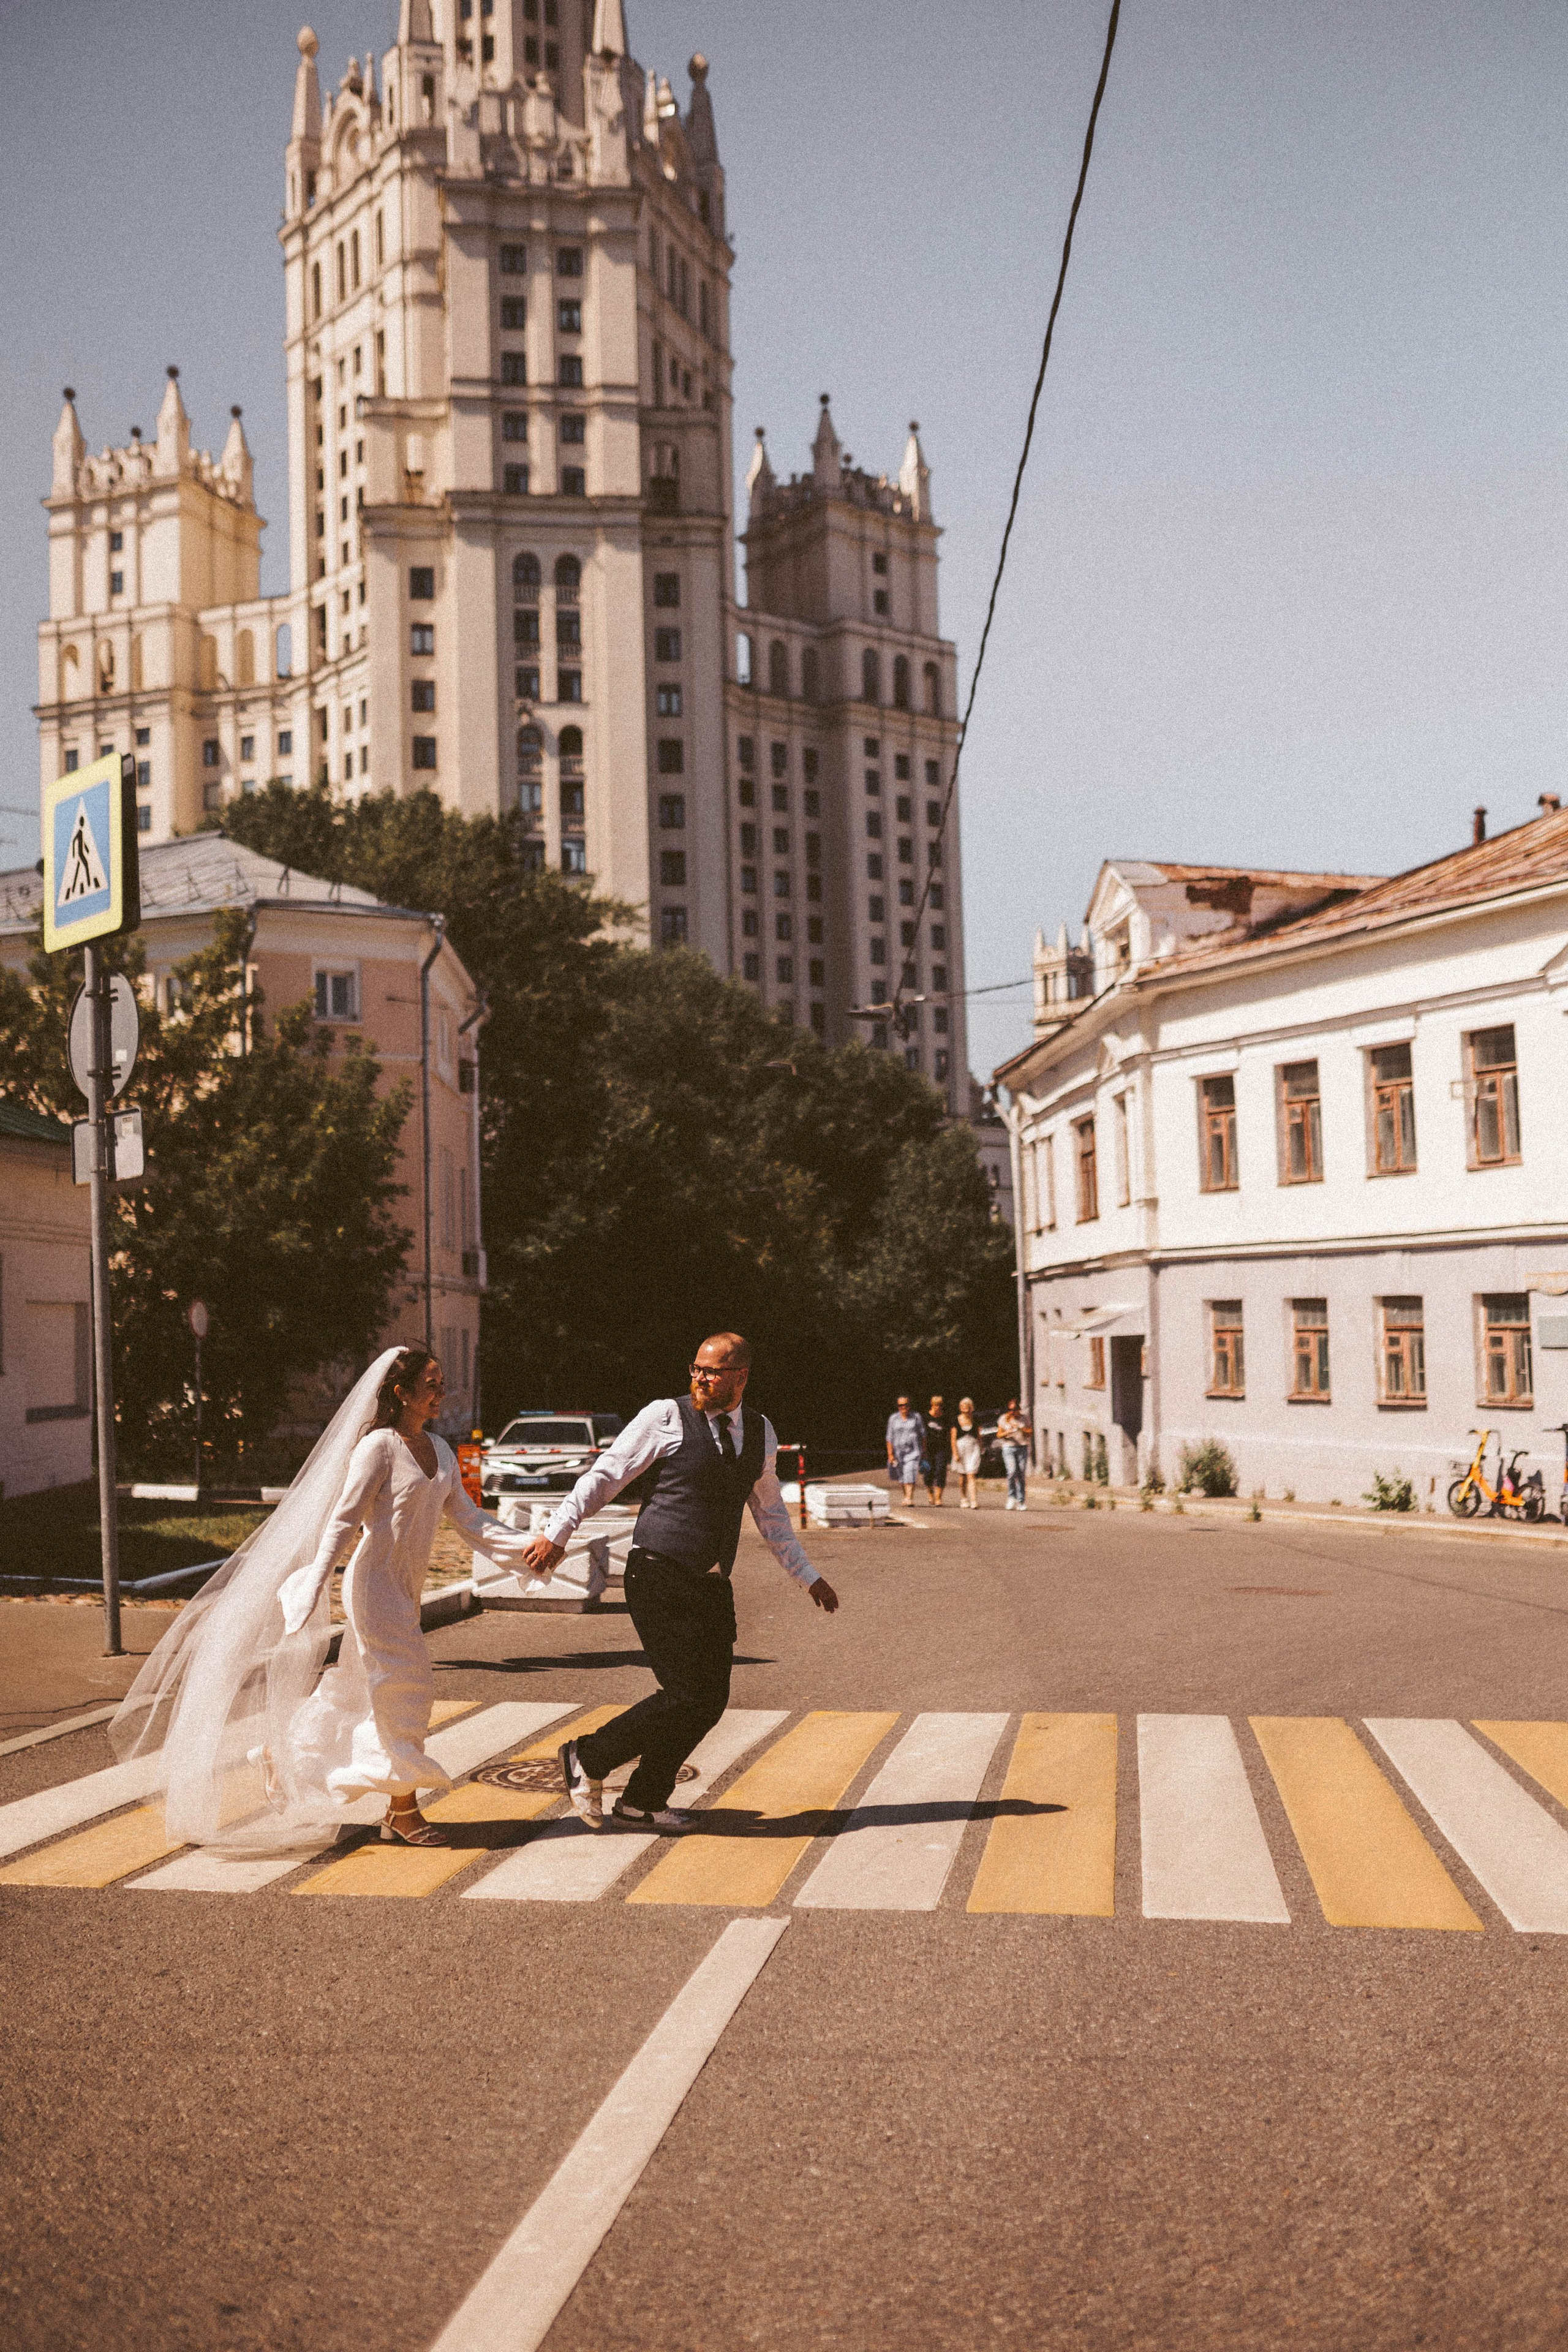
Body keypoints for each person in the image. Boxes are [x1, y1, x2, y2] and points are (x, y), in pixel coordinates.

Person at [110, 1345, 533, 1853]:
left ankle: (282, 1752)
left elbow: (468, 1518)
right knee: (409, 1689)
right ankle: (404, 1809)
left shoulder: (440, 1451)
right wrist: (315, 1582)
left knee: (357, 1691)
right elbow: (343, 1519)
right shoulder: (378, 1447)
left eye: (442, 1383)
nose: (441, 1392)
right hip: (373, 1589)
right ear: (401, 1393)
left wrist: (531, 1548)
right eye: (431, 1384)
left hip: (404, 1590)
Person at [522, 1331, 839, 1833]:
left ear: (741, 1376)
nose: (700, 1378)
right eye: (696, 1369)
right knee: (688, 1692)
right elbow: (607, 1475)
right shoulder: (664, 1416)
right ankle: (589, 1756)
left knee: (708, 1701)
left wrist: (808, 1577)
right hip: (658, 1571)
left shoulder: (759, 1431)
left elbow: (770, 1512)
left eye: (712, 1371)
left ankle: (642, 1801)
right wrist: (559, 1532)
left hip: (711, 1581)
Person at [886, 1392, 925, 1505]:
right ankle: (905, 1496)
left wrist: (924, 1450)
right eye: (901, 1405)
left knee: (911, 1471)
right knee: (901, 1476)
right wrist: (890, 1454)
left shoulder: (916, 1417)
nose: (903, 1407)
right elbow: (889, 1437)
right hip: (898, 1452)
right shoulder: (893, 1418)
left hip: (913, 1451)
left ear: (910, 1405)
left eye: (906, 1405)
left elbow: (923, 1435)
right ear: (898, 1406)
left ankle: (909, 1497)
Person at [997, 1399, 1032, 1510]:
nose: (1013, 1412)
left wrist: (1021, 1429)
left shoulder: (1024, 1418)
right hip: (1009, 1447)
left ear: (1019, 1409)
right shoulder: (1004, 1419)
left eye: (1015, 1409)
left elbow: (1030, 1432)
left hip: (1022, 1447)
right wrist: (1008, 1432)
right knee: (1012, 1472)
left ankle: (1021, 1501)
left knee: (1021, 1473)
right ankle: (1011, 1497)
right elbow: (999, 1434)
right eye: (1011, 1410)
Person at [952, 1397, 984, 1509]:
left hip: (973, 1448)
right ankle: (964, 1498)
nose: (966, 1408)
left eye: (968, 1406)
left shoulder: (976, 1420)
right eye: (964, 1406)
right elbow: (953, 1439)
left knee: (971, 1474)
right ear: (960, 1408)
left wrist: (981, 1449)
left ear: (972, 1408)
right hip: (961, 1448)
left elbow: (979, 1436)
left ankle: (974, 1500)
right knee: (963, 1476)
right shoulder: (956, 1420)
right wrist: (955, 1453)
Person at [923, 1395, 950, 1506]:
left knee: (941, 1471)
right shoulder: (926, 1418)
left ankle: (938, 1498)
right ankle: (931, 1495)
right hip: (928, 1449)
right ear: (932, 1405)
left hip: (941, 1449)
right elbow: (922, 1435)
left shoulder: (945, 1418)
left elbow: (949, 1434)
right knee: (928, 1472)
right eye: (935, 1405)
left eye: (939, 1405)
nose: (937, 1407)